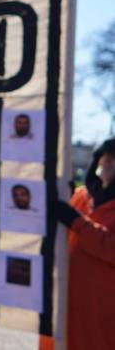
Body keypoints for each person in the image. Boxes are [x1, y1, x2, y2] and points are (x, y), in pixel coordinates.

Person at [55, 138, 115, 350]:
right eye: (104, 155)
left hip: (99, 315)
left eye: (114, 158)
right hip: (66, 307)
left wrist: (77, 222)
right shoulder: (82, 196)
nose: (107, 161)